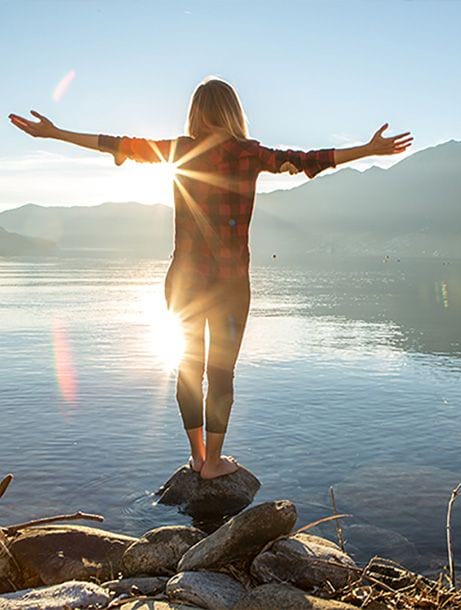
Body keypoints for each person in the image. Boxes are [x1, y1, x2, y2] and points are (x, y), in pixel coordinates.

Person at [9, 76, 413, 479]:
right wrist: (369, 149)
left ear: (196, 113)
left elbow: (116, 144)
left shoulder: (179, 151)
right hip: (231, 283)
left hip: (183, 280)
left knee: (188, 367)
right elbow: (310, 160)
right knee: (221, 373)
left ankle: (198, 456)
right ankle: (215, 463)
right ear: (234, 112)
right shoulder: (249, 153)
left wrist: (55, 133)